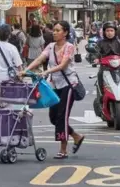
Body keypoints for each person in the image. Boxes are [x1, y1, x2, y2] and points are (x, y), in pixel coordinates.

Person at [22, 21, 85, 159]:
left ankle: (63, 150)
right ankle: (76, 136)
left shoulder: (69, 47)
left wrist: (46, 72)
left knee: (62, 117)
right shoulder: (50, 46)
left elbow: (63, 65)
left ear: (66, 33)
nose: (54, 33)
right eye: (54, 30)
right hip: (55, 86)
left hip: (69, 85)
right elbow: (39, 59)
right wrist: (25, 71)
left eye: (58, 30)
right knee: (53, 118)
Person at [96, 22, 120, 94]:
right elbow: (97, 52)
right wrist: (96, 59)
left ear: (115, 32)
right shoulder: (100, 42)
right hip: (105, 67)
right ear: (104, 32)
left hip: (119, 66)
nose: (109, 33)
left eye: (111, 31)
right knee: (100, 74)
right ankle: (102, 94)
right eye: (107, 31)